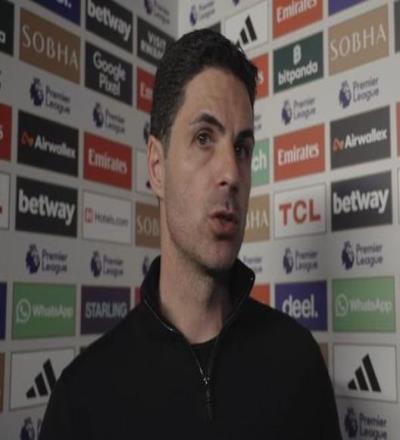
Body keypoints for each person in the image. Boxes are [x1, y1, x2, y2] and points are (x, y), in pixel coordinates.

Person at [40, 30, 341, 440]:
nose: (231, 173)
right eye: (203, 138)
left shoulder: (298, 361)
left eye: (242, 148)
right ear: (157, 167)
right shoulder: (81, 398)